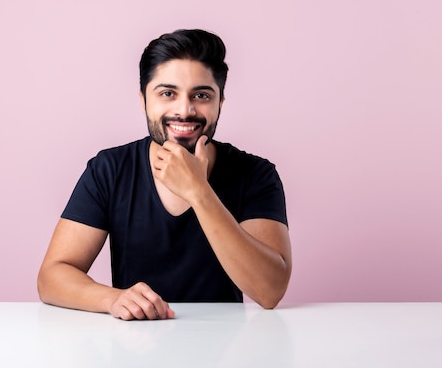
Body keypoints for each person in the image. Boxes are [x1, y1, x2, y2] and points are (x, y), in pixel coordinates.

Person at [38, 29, 291, 320]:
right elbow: (51, 278)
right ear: (144, 99)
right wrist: (113, 299)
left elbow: (270, 291)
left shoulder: (255, 174)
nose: (185, 110)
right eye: (167, 93)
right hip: (135, 346)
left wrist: (198, 191)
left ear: (220, 103)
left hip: (226, 351)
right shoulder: (109, 169)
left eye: (201, 95)